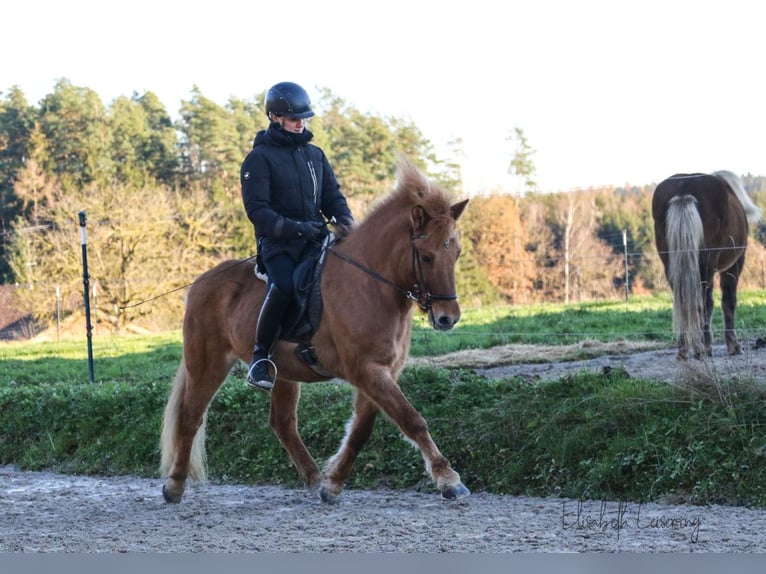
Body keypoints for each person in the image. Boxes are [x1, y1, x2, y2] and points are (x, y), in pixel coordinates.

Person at [240, 81, 355, 392]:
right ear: (275, 117)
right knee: (286, 285)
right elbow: (258, 212)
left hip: (316, 239)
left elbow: (333, 197)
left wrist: (349, 226)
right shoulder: (259, 159)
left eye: (304, 117)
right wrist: (299, 228)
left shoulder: (315, 155)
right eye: (294, 118)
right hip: (279, 244)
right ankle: (261, 357)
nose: (301, 122)